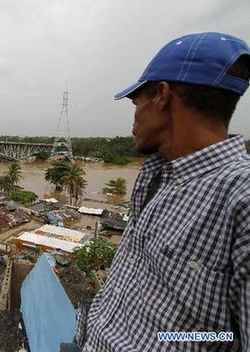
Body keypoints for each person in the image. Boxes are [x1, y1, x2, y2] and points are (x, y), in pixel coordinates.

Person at [80, 32, 250, 351]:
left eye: (136, 102)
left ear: (162, 95)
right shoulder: (157, 177)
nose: (133, 117)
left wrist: (173, 338)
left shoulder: (241, 199)